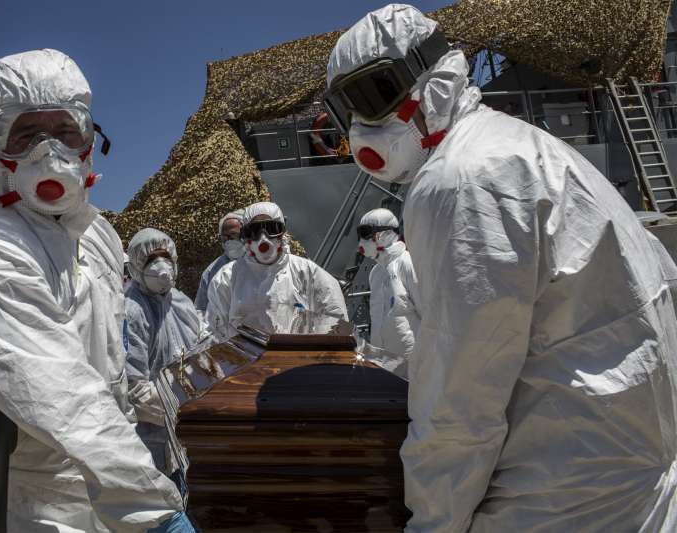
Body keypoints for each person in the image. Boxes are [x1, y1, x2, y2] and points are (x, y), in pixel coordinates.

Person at [326, 5, 677, 532]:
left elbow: (461, 400)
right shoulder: (523, 145)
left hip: (558, 499)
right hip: (625, 476)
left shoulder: (459, 180)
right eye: (346, 111)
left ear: (433, 80)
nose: (362, 127)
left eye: (374, 96)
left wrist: (434, 522)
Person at [0, 49, 183, 533]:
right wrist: (156, 516)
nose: (48, 152)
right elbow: (67, 402)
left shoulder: (96, 236)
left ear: (90, 141)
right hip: (10, 501)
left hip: (100, 484)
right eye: (26, 134)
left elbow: (105, 369)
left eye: (65, 131)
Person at [125, 228, 206, 533]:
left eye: (165, 256)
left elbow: (200, 351)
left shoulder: (181, 302)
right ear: (136, 266)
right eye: (150, 259)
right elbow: (133, 386)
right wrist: (178, 407)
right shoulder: (131, 311)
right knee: (161, 508)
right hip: (153, 436)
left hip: (189, 432)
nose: (161, 266)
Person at [206, 201, 348, 338]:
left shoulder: (308, 273)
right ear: (246, 235)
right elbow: (214, 330)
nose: (263, 238)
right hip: (244, 354)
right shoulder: (227, 277)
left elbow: (337, 322)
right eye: (255, 231)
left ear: (282, 232)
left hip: (295, 353)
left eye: (271, 229)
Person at [357, 208, 419, 378]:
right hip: (383, 363)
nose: (362, 241)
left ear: (384, 235)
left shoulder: (408, 264)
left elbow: (428, 314)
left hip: (412, 364)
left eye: (366, 233)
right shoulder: (375, 273)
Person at [194, 210, 245, 317]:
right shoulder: (212, 271)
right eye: (224, 237)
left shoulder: (259, 263)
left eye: (233, 235)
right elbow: (201, 308)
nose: (229, 241)